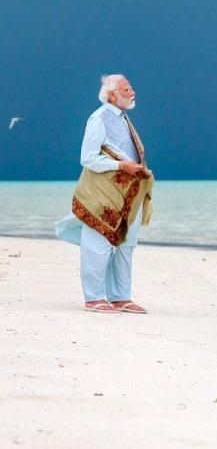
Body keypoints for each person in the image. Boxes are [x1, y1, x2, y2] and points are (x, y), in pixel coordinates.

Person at [53, 74, 155, 313]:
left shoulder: (123, 118)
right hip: (103, 191)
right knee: (98, 243)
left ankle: (120, 296)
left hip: (128, 191)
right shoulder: (99, 118)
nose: (132, 92)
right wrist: (121, 166)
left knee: (125, 243)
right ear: (111, 94)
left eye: (130, 88)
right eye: (126, 89)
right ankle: (94, 297)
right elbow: (87, 158)